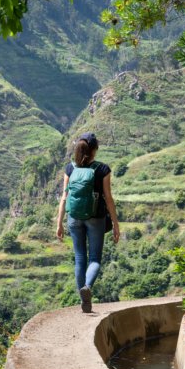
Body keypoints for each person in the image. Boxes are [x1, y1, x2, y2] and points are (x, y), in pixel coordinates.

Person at [55, 132, 120, 313]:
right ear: (94, 150)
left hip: (74, 218)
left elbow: (64, 197)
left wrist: (59, 223)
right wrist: (115, 224)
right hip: (96, 218)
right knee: (94, 258)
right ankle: (88, 288)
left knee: (79, 259)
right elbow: (108, 198)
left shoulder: (70, 169)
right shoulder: (102, 170)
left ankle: (83, 302)